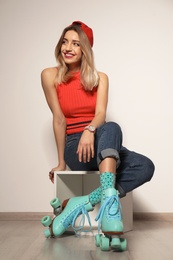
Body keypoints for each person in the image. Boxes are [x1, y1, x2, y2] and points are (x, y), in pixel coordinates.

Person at [41, 21, 155, 246]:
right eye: (65, 42)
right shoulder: (50, 75)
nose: (68, 48)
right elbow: (59, 119)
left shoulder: (100, 78)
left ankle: (82, 202)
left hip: (100, 141)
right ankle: (110, 211)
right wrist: (61, 162)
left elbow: (100, 114)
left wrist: (90, 129)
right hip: (77, 147)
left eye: (75, 43)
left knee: (145, 165)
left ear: (85, 49)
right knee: (111, 128)